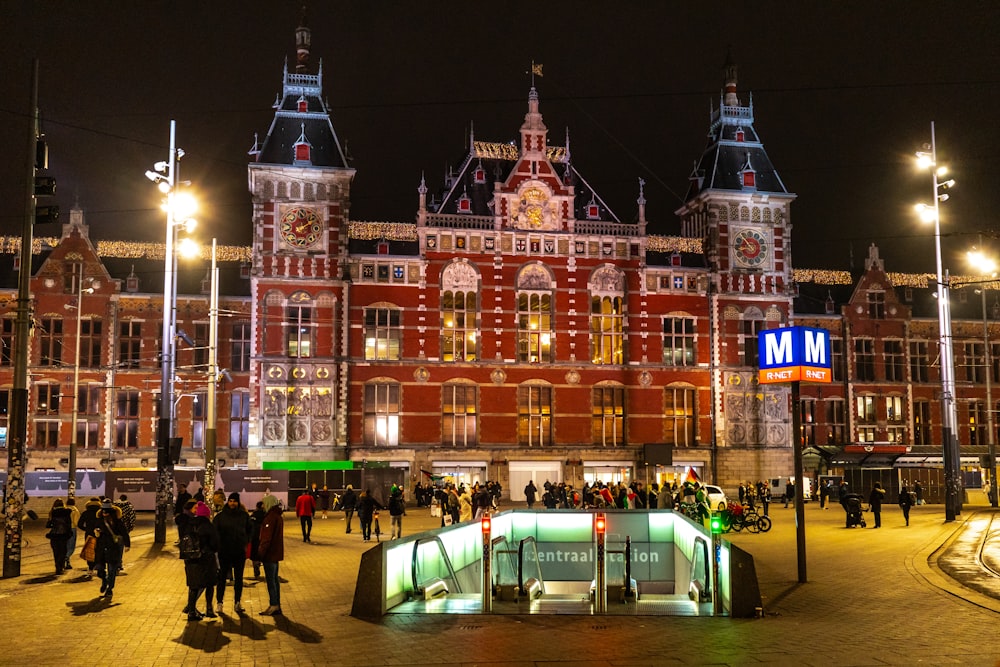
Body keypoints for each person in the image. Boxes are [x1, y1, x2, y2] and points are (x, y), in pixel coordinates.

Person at [214, 492, 252, 613]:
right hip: (224, 552)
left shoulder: (244, 516)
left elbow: (251, 530)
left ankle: (237, 602)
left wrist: (245, 542)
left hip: (239, 551)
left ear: (238, 502)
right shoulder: (220, 516)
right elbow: (215, 532)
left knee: (239, 579)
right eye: (230, 501)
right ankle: (219, 603)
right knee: (222, 579)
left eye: (234, 501)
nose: (232, 503)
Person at [182, 501, 220, 621]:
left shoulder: (190, 524)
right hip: (206, 559)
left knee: (194, 586)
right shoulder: (209, 526)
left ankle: (191, 612)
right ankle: (209, 609)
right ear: (207, 515)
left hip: (191, 559)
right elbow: (215, 544)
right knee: (209, 584)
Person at [93, 500, 130, 600]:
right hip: (101, 547)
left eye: (106, 511)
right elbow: (95, 528)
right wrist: (96, 531)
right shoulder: (99, 519)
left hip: (113, 547)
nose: (104, 513)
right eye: (103, 511)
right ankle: (104, 581)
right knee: (100, 569)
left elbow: (123, 532)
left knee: (112, 570)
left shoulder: (117, 520)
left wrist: (127, 544)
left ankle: (109, 588)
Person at [258, 495, 285, 616]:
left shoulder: (270, 518)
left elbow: (266, 539)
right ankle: (276, 604)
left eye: (264, 503)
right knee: (275, 580)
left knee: (271, 581)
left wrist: (260, 553)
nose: (263, 506)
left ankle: (274, 604)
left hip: (270, 554)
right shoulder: (278, 516)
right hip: (276, 553)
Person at [45, 499, 73, 574]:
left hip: (54, 535)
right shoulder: (67, 512)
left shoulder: (52, 513)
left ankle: (58, 567)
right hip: (63, 535)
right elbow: (69, 524)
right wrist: (69, 533)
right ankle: (61, 566)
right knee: (63, 551)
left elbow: (48, 525)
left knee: (56, 552)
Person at [77, 497, 103, 577]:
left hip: (89, 534)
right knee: (99, 550)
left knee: (90, 551)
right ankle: (99, 567)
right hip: (100, 534)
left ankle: (90, 568)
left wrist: (86, 529)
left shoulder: (86, 512)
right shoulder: (100, 512)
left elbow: (79, 524)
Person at [249, 500, 267, 579]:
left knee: (255, 554)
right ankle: (266, 569)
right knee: (264, 554)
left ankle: (256, 568)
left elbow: (249, 526)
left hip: (254, 537)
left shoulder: (253, 515)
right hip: (263, 537)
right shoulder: (266, 515)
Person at [65, 497, 80, 571]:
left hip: (64, 529)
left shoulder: (64, 509)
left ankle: (64, 559)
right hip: (72, 528)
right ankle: (67, 558)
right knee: (71, 546)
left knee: (64, 544)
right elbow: (76, 522)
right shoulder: (75, 510)